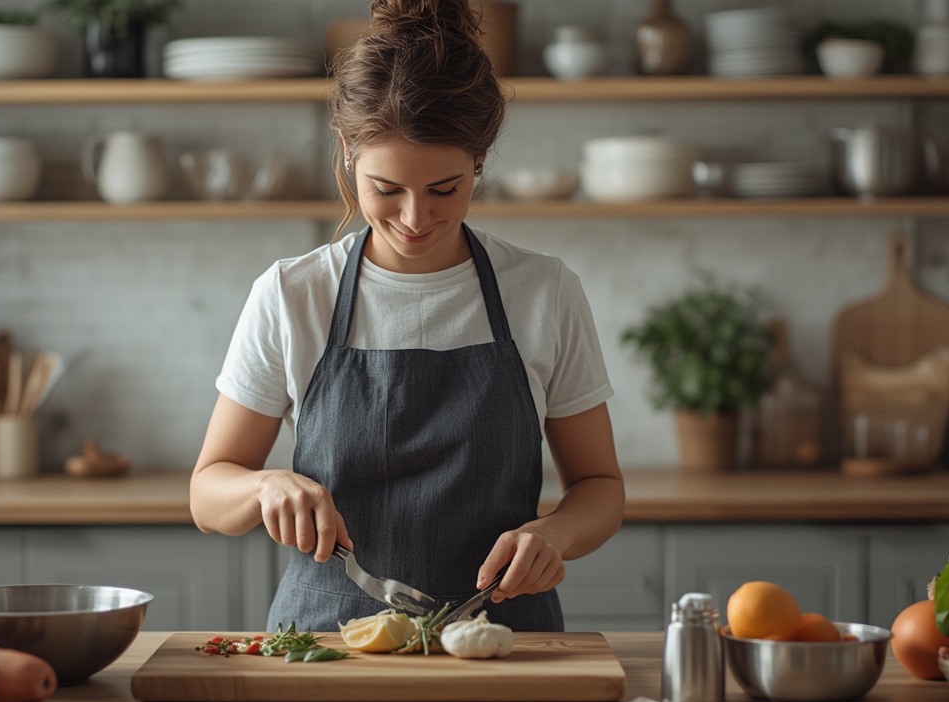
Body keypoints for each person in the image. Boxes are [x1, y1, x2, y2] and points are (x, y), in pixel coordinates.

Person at [190, 0, 624, 632]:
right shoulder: (292, 294)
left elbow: (601, 486)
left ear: (481, 155)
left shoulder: (544, 291)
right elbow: (207, 493)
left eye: (444, 189)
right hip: (326, 648)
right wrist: (263, 488)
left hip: (505, 647)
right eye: (386, 190)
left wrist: (556, 533)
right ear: (345, 151)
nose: (415, 219)